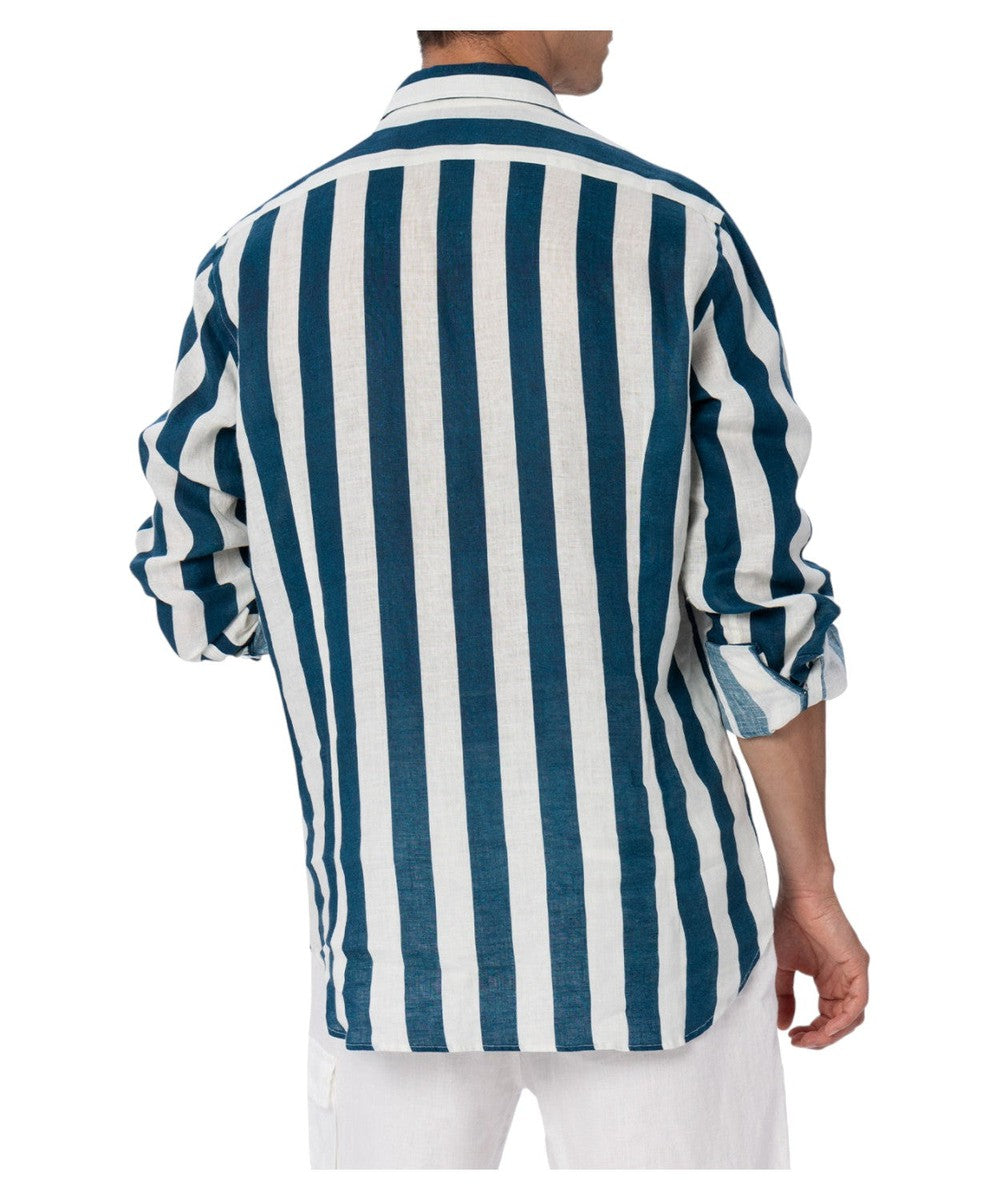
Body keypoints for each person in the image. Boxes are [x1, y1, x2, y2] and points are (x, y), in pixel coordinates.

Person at [129, 28, 869, 1170]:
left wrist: (364, 614)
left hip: (389, 931)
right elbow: (758, 607)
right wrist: (808, 884)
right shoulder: (674, 232)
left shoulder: (256, 258)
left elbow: (193, 589)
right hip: (657, 926)